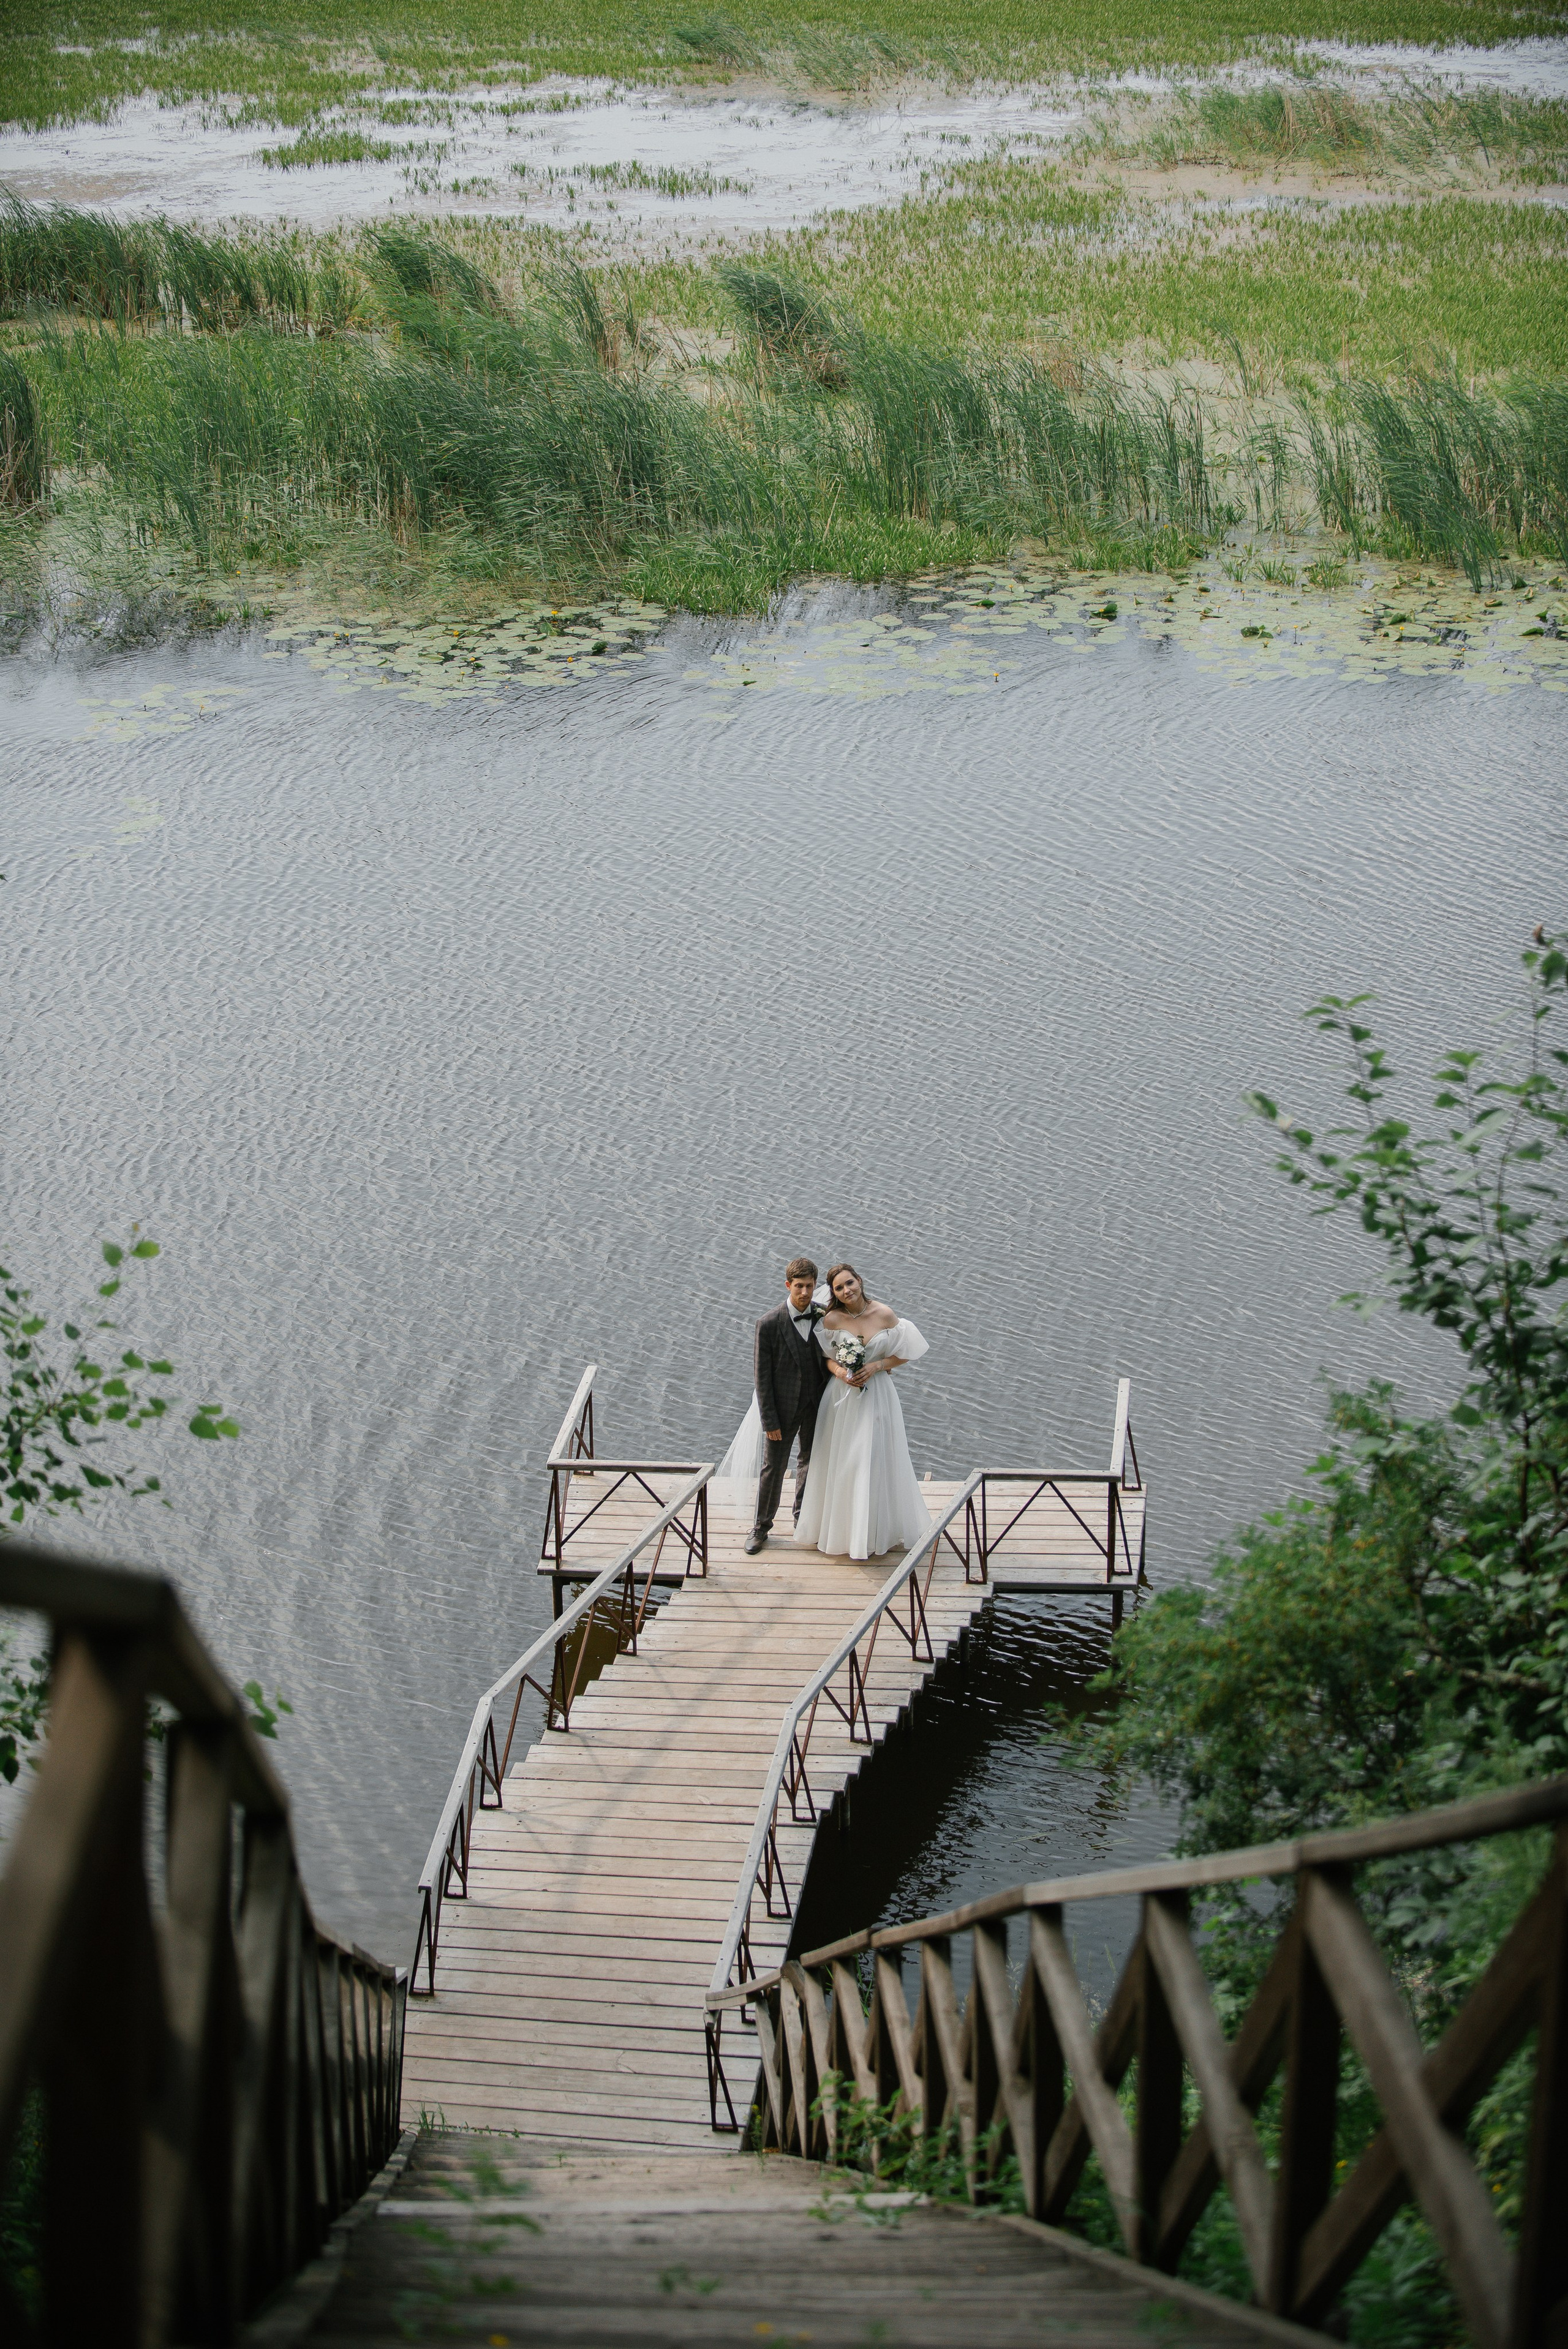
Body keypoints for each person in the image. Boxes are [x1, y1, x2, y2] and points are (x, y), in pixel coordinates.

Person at [794, 1262, 930, 1561]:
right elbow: (825, 1359)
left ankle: (878, 1530)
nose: (847, 1291)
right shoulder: (831, 1319)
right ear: (834, 1293)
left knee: (876, 1457)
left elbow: (904, 1354)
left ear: (859, 1281)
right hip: (842, 1398)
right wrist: (841, 1372)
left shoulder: (884, 1314)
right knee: (845, 1460)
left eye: (849, 1283)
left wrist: (876, 1366)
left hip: (878, 1396)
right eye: (839, 1288)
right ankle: (843, 1532)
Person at [718, 1257, 832, 1555]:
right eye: (799, 1287)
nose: (805, 1293)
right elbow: (762, 1378)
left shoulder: (825, 1316)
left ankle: (802, 1519)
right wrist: (770, 1422)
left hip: (818, 1405)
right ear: (788, 1285)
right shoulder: (768, 1324)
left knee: (810, 1462)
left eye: (810, 1286)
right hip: (782, 1411)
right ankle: (761, 1526)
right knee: (774, 1468)